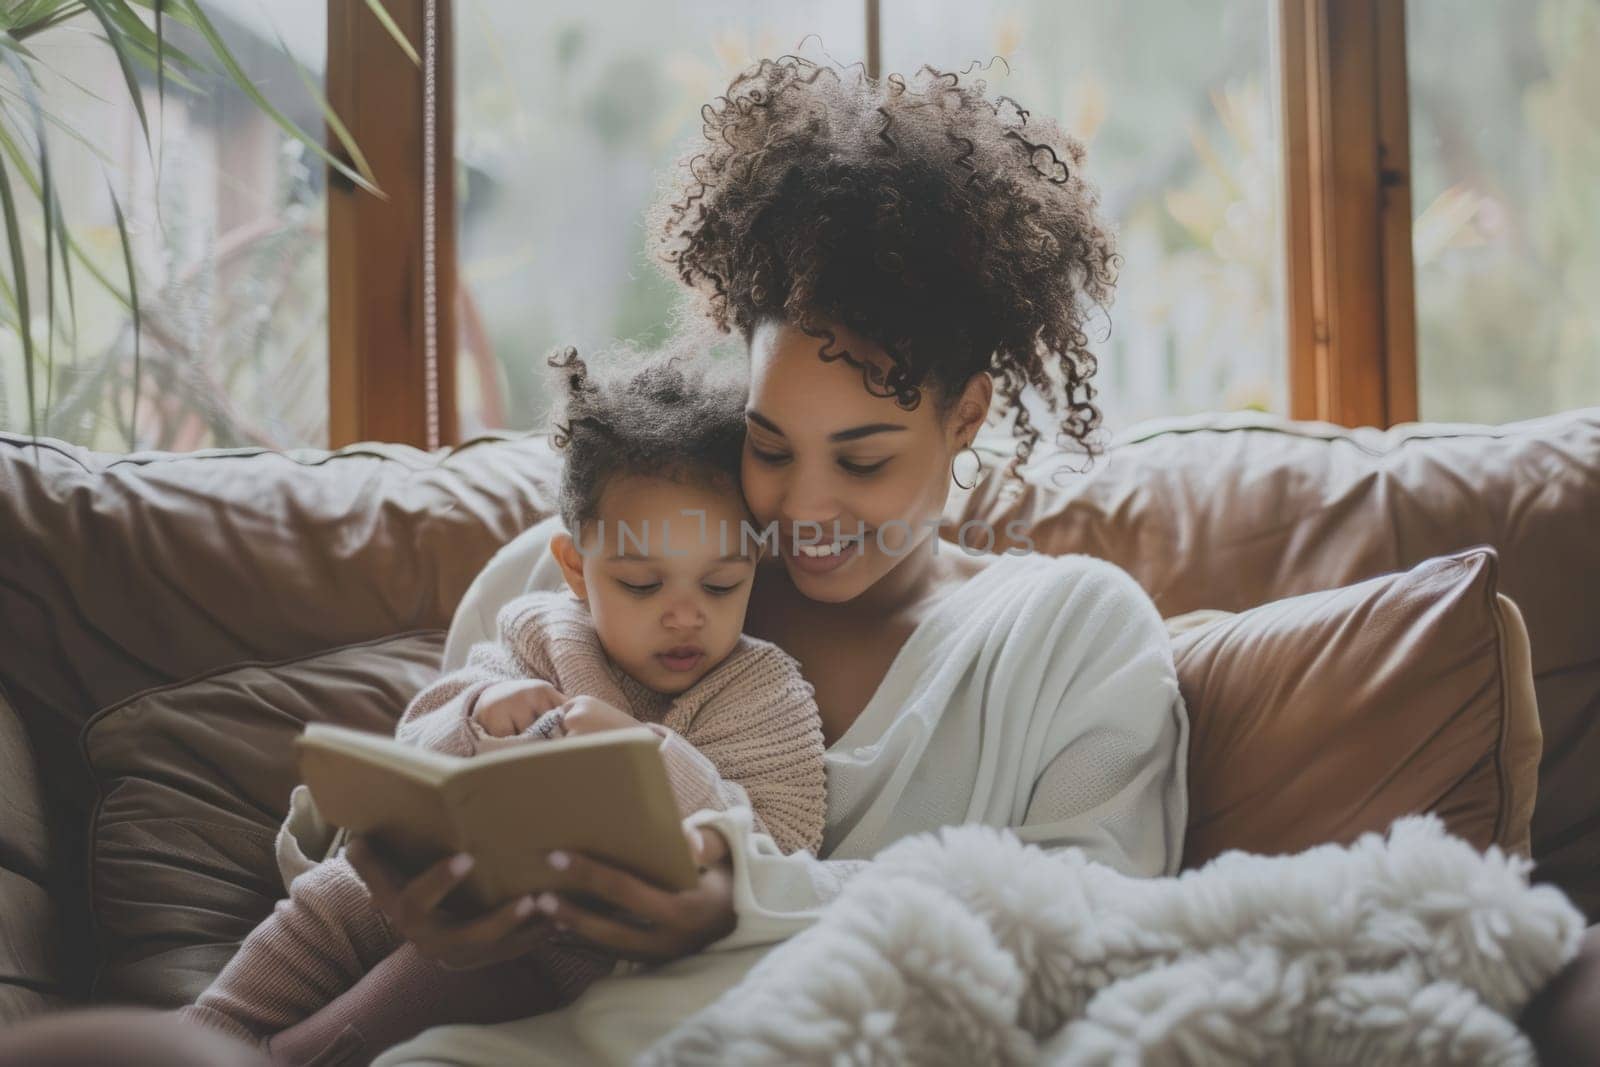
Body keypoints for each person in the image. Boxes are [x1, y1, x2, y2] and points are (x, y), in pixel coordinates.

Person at [345, 57, 1189, 1065]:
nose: (801, 508)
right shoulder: (600, 566)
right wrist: (397, 880)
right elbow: (388, 804)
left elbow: (1094, 925)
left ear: (965, 414)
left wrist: (744, 898)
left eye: (864, 458)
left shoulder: (1071, 633)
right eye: (769, 444)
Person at [180, 350, 827, 1066]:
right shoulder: (543, 633)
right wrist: (482, 714)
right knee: (339, 893)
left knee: (469, 973)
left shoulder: (762, 690)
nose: (685, 617)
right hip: (448, 876)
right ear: (577, 568)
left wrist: (647, 753)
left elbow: (782, 848)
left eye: (720, 584)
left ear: (753, 566)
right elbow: (419, 743)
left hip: (570, 946)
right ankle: (211, 1028)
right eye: (642, 585)